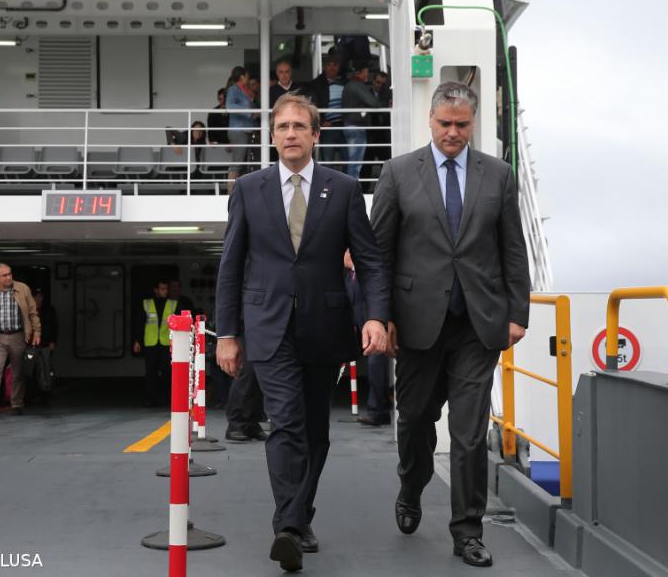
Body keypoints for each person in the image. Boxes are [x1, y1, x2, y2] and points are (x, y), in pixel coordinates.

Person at [215, 92, 390, 572]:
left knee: (316, 431)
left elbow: (371, 261)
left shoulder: (345, 189)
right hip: (267, 327)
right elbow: (230, 266)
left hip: (324, 326)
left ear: (315, 135)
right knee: (287, 422)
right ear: (272, 136)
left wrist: (375, 316)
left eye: (299, 126)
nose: (290, 134)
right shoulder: (248, 189)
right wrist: (227, 333)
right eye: (282, 127)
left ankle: (300, 514)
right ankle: (288, 528)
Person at [370, 81, 531, 568]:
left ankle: (467, 532)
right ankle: (411, 486)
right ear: (431, 120)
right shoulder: (399, 173)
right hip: (416, 323)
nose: (453, 133)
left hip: (477, 325)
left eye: (462, 125)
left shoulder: (498, 175)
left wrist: (517, 313)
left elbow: (513, 247)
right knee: (416, 420)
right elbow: (379, 254)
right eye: (445, 124)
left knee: (468, 431)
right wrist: (381, 316)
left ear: (473, 123)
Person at [0, 263, 42, 416]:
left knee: (17, 372)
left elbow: (32, 312)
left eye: (10, 274)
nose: (9, 277)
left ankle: (17, 404)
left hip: (18, 336)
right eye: (4, 275)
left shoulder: (22, 289)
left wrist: (37, 332)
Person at [343, 250, 392, 425]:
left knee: (376, 363)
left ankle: (377, 410)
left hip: (374, 324)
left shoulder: (365, 274)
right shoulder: (349, 276)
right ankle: (380, 407)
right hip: (358, 324)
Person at [132, 279, 177, 407]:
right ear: (156, 290)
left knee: (167, 372)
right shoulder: (146, 304)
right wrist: (137, 340)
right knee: (151, 372)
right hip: (150, 343)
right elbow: (139, 323)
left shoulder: (173, 304)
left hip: (166, 344)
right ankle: (152, 399)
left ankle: (166, 398)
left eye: (166, 289)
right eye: (162, 289)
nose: (165, 291)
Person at [302, 55, 347, 168]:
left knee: (347, 159)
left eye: (335, 65)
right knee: (328, 161)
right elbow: (311, 105)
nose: (332, 68)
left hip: (344, 126)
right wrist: (321, 122)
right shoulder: (316, 84)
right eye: (329, 65)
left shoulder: (344, 82)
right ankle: (328, 181)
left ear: (339, 67)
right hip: (328, 127)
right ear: (324, 66)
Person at [341, 61, 383, 179]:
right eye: (366, 71)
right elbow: (373, 103)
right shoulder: (357, 85)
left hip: (351, 126)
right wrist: (384, 104)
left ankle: (350, 186)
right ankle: (351, 187)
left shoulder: (351, 85)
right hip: (356, 127)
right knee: (355, 163)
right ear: (362, 72)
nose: (367, 74)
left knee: (353, 162)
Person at [226, 66, 258, 179]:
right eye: (247, 76)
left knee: (244, 165)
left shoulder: (244, 90)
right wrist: (249, 113)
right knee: (237, 163)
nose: (248, 79)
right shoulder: (233, 90)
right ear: (242, 77)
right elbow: (229, 106)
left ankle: (240, 189)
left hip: (247, 130)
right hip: (238, 130)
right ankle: (230, 189)